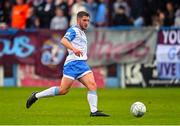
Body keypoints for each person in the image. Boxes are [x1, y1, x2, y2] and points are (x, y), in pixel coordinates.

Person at [26, 11, 110, 117]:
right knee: (63, 90)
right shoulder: (73, 30)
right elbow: (63, 40)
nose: (86, 23)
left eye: (88, 20)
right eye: (84, 20)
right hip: (72, 64)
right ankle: (36, 96)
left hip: (82, 64)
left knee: (92, 85)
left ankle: (94, 111)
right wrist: (74, 49)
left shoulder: (82, 33)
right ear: (78, 20)